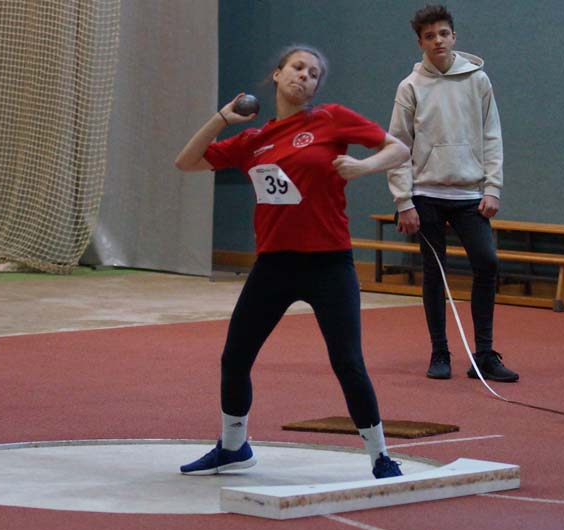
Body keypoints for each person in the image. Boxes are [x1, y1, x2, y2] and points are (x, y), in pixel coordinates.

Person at [174, 45, 411, 479]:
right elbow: (186, 161)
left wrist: (364, 166)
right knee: (235, 357)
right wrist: (222, 118)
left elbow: (397, 149)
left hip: (329, 264)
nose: (305, 76)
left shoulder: (331, 118)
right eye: (298, 68)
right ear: (278, 74)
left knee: (347, 361)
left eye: (314, 74)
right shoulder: (252, 141)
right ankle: (233, 447)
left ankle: (380, 456)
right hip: (274, 266)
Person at [387, 4, 519, 382]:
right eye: (429, 36)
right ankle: (440, 352)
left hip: (469, 194)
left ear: (454, 36)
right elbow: (397, 145)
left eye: (443, 33)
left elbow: (492, 135)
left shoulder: (478, 80)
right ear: (420, 43)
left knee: (487, 263)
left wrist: (492, 187)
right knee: (435, 272)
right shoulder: (410, 87)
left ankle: (484, 355)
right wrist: (404, 201)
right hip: (425, 193)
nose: (438, 41)